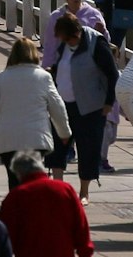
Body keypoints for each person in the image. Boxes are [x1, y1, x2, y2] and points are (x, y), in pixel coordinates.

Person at [47, 13, 118, 200]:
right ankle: (58, 189)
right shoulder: (65, 44)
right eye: (64, 39)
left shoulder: (96, 43)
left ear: (77, 33)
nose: (67, 42)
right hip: (62, 105)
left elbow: (112, 74)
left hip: (90, 107)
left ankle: (84, 192)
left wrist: (109, 102)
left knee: (88, 149)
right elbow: (59, 67)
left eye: (69, 39)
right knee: (56, 147)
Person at [0, 37, 70, 170]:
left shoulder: (1, 78)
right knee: (33, 180)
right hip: (36, 139)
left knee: (13, 181)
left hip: (7, 140)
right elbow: (58, 107)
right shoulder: (44, 77)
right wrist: (64, 133)